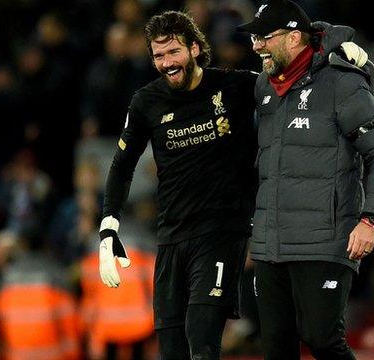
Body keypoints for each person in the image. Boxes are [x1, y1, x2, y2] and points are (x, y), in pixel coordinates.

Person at [237, 0, 374, 359]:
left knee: (322, 338)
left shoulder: (342, 82)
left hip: (324, 239)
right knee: (276, 347)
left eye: (264, 37)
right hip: (270, 242)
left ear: (294, 37)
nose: (256, 46)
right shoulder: (264, 87)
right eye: (254, 38)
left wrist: (370, 220)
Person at [97, 11, 259, 360]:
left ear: (196, 49)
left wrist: (334, 46)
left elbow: (290, 78)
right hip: (170, 236)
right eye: (158, 55)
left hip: (220, 233)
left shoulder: (236, 87)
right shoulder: (146, 101)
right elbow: (121, 167)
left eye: (174, 52)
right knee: (171, 351)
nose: (167, 63)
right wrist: (108, 228)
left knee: (201, 344)